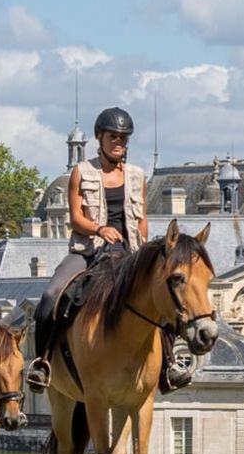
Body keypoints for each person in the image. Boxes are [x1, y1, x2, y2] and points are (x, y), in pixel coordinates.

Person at [25, 107, 193, 394]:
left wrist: (142, 252)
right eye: (113, 136)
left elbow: (141, 220)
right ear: (99, 137)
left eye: (124, 138)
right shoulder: (81, 172)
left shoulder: (137, 176)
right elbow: (75, 217)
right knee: (51, 296)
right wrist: (98, 229)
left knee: (163, 294)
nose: (119, 142)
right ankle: (42, 364)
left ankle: (169, 363)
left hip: (128, 253)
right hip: (89, 250)